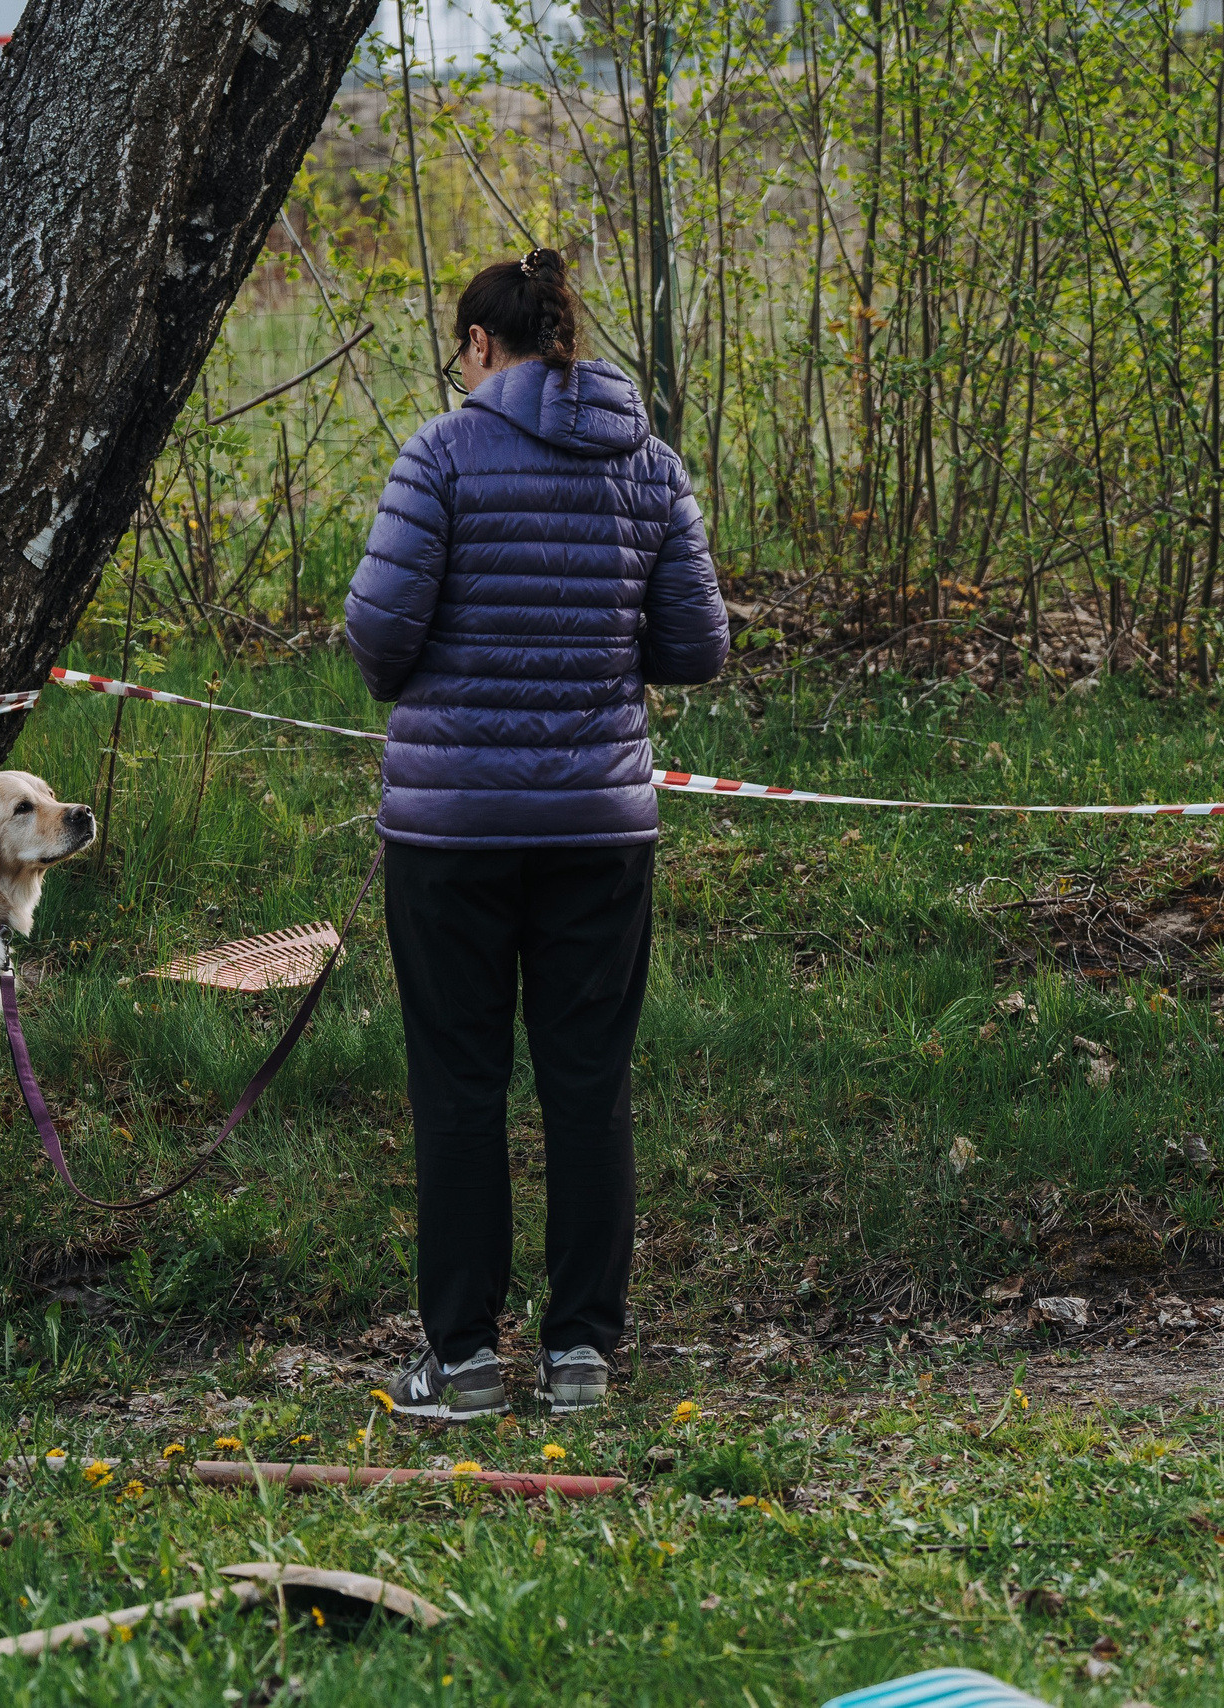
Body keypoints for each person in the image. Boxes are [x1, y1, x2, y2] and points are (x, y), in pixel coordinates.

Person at [345, 249, 728, 1420]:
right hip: (599, 832)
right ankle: (579, 1358)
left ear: (478, 345)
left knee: (459, 1084)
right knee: (586, 1082)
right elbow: (695, 647)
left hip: (451, 834)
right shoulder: (648, 466)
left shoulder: (441, 456)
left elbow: (379, 641)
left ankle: (459, 1357)